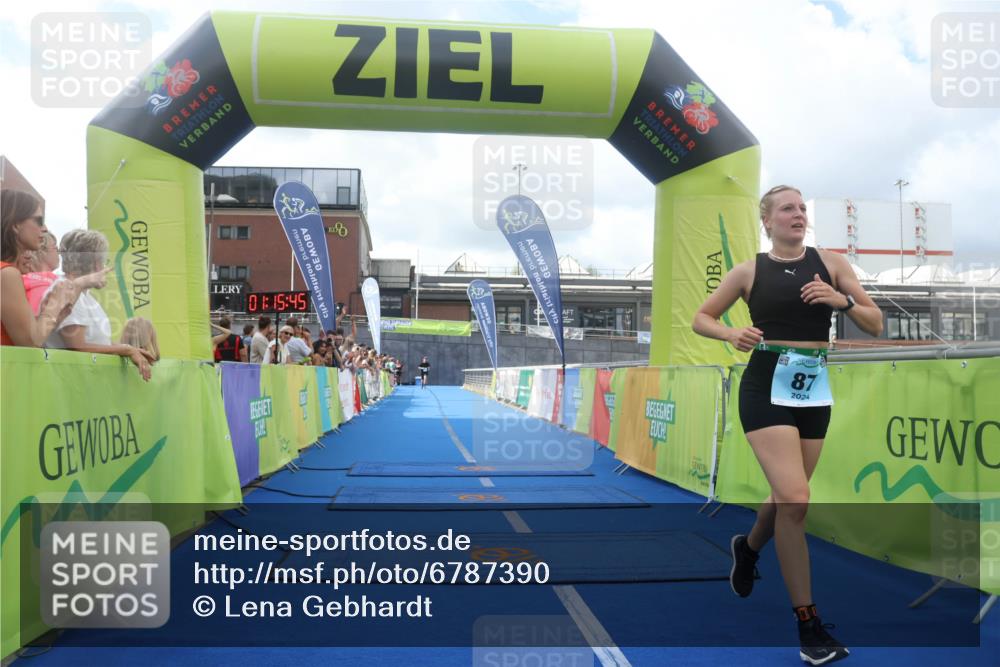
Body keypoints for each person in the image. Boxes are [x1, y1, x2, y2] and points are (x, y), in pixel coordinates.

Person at [692, 185, 882, 665]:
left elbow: (875, 322)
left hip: (813, 389)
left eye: (801, 208)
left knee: (785, 499)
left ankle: (748, 548)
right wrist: (731, 332)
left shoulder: (832, 263)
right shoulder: (748, 271)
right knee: (796, 499)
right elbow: (701, 318)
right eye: (787, 209)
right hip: (764, 386)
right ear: (768, 221)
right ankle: (808, 625)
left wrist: (840, 301)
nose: (798, 214)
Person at [43, 229, 156, 381]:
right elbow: (77, 347)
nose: (104, 266)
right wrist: (126, 350)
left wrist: (131, 349)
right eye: (103, 261)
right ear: (95, 264)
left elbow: (99, 342)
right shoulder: (68, 290)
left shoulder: (84, 295)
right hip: (69, 383)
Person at [1, 190, 101, 347]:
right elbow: (30, 342)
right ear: (15, 225)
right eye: (39, 221)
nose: (45, 229)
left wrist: (52, 315)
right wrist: (52, 307)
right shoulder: (7, 274)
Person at [21, 230, 60, 313]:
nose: (59, 252)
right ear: (41, 251)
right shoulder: (47, 287)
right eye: (55, 247)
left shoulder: (19, 282)